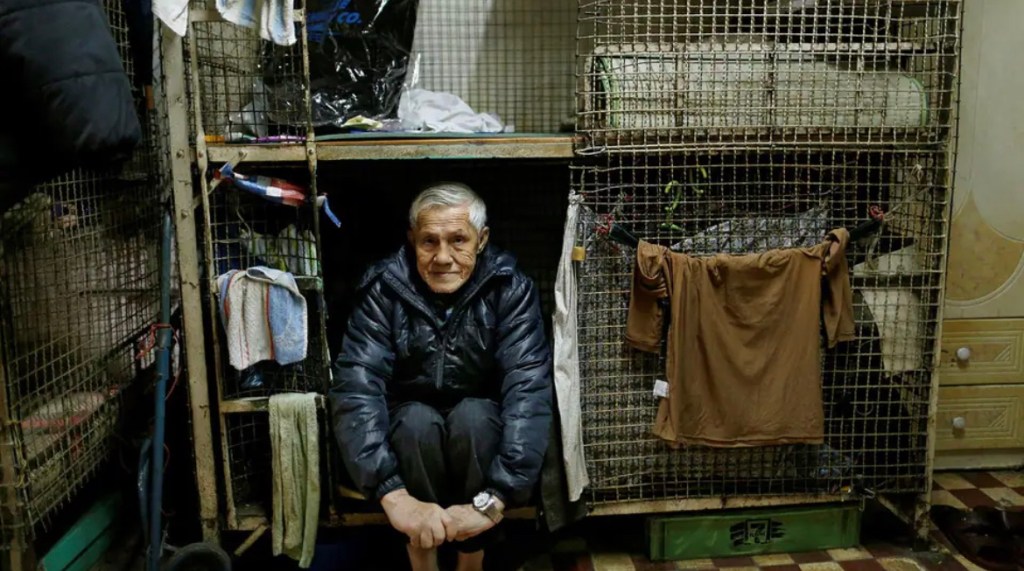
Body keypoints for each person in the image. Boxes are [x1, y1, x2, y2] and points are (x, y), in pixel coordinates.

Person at [330, 182, 553, 571]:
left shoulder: (509, 288)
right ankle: (423, 559)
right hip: (409, 435)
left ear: (482, 240)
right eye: (429, 242)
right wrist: (392, 494)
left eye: (458, 240)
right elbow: (357, 386)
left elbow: (528, 389)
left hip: (479, 435)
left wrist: (497, 498)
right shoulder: (384, 288)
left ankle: (471, 561)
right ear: (411, 240)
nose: (443, 257)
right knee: (415, 421)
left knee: (474, 417)